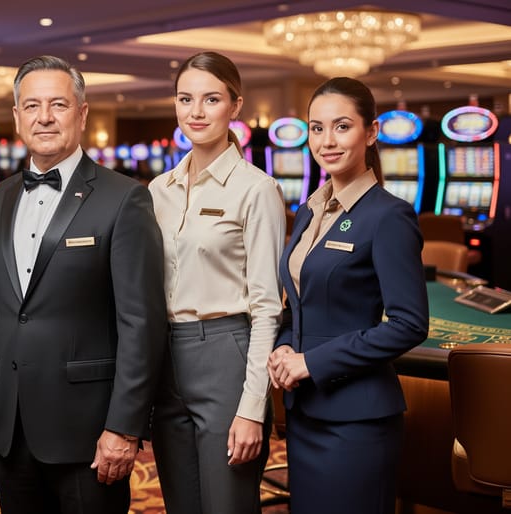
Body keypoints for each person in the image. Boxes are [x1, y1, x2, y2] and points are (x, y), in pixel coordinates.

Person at [0, 55, 167, 514]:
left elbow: (141, 323)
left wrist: (123, 426)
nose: (44, 117)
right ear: (16, 117)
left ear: (82, 112)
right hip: (9, 426)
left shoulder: (125, 198)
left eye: (58, 104)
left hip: (89, 430)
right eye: (31, 105)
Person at [267, 77, 429, 514]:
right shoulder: (309, 210)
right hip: (305, 413)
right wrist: (284, 347)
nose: (327, 141)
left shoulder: (389, 215)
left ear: (371, 132)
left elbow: (409, 325)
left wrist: (310, 363)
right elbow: (297, 303)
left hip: (356, 420)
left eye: (341, 126)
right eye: (316, 128)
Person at [147, 51, 285, 514]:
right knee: (179, 504)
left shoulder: (257, 189)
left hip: (227, 354)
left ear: (235, 106)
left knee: (227, 504)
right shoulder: (156, 189)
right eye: (186, 99)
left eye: (211, 99)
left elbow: (267, 306)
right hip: (166, 357)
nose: (196, 112)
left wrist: (252, 406)